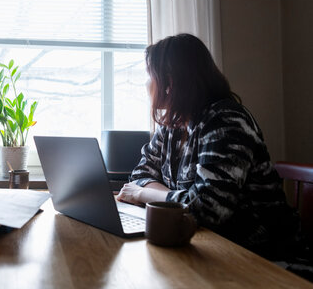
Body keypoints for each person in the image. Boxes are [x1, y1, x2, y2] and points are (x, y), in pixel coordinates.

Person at [117, 33, 302, 261]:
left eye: (149, 76)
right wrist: (171, 199)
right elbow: (140, 174)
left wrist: (145, 194)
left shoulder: (226, 122)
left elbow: (208, 209)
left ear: (170, 82)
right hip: (209, 245)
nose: (146, 84)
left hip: (263, 256)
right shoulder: (173, 124)